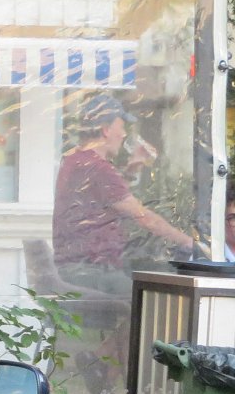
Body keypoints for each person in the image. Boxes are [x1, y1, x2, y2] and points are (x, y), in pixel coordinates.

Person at [53, 92, 196, 296]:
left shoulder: (74, 159)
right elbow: (144, 218)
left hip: (76, 266)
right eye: (121, 127)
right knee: (151, 298)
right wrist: (188, 241)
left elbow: (106, 200)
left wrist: (131, 170)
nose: (123, 134)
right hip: (92, 271)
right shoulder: (98, 167)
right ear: (105, 129)